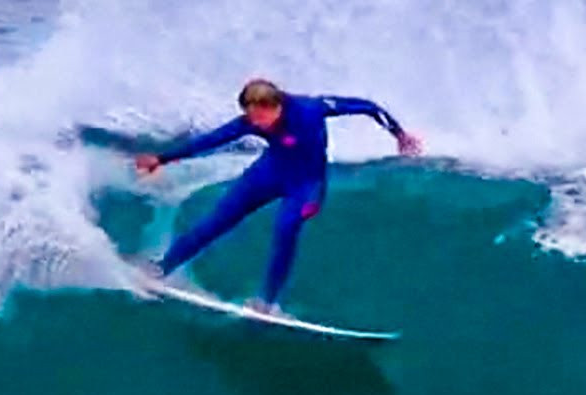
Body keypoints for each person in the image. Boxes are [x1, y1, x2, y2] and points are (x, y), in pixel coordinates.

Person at [134, 78, 422, 314]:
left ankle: (267, 303)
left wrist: (399, 134)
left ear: (277, 106)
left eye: (261, 118)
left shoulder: (309, 110)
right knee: (216, 222)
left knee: (285, 229)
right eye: (251, 118)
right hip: (268, 173)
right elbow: (211, 140)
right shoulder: (250, 120)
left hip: (306, 185)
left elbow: (368, 107)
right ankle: (161, 269)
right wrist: (162, 159)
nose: (256, 124)